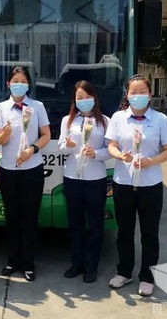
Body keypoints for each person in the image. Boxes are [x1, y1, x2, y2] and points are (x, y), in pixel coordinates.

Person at [105, 74, 167, 296]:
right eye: (133, 92)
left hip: (150, 185)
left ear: (150, 94)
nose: (138, 96)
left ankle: (147, 276)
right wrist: (120, 155)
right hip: (123, 183)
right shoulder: (118, 118)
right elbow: (111, 145)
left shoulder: (160, 120)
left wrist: (151, 161)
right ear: (127, 95)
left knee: (149, 233)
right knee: (124, 231)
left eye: (142, 92)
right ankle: (124, 272)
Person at [0, 66, 50, 282]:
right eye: (15, 80)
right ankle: (12, 261)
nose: (19, 84)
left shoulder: (37, 106)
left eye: (23, 81)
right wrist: (5, 134)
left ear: (28, 84)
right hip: (8, 169)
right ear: (8, 84)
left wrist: (32, 149)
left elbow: (46, 135)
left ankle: (28, 263)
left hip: (32, 169)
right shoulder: (1, 108)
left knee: (30, 217)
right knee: (12, 216)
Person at [57, 80, 110, 284]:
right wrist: (69, 146)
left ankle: (91, 266)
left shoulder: (104, 121)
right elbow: (61, 147)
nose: (84, 100)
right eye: (80, 97)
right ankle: (76, 263)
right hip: (73, 177)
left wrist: (96, 153)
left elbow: (110, 149)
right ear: (74, 100)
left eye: (87, 96)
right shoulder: (68, 121)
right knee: (75, 223)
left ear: (94, 98)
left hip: (96, 178)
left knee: (95, 224)